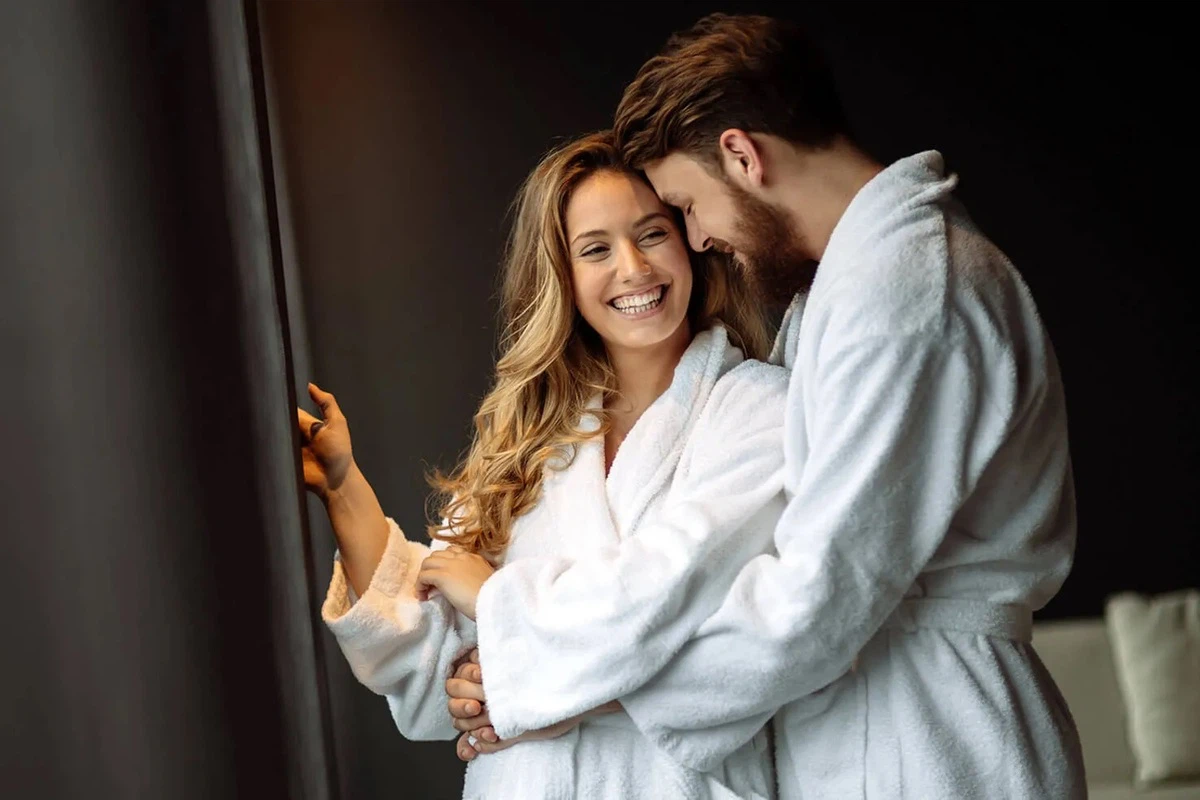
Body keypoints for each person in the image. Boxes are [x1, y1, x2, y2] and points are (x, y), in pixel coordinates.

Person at [450, 13, 1086, 800]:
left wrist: (576, 691)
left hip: (934, 739)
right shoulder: (845, 290)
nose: (700, 239)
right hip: (867, 723)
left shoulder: (906, 291)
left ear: (741, 157)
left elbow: (820, 593)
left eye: (683, 206)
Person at [300, 130, 791, 799]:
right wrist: (344, 490)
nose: (633, 268)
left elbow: (680, 614)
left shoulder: (757, 412)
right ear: (562, 276)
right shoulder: (531, 438)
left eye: (652, 234)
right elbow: (433, 683)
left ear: (691, 242)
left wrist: (502, 613)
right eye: (595, 249)